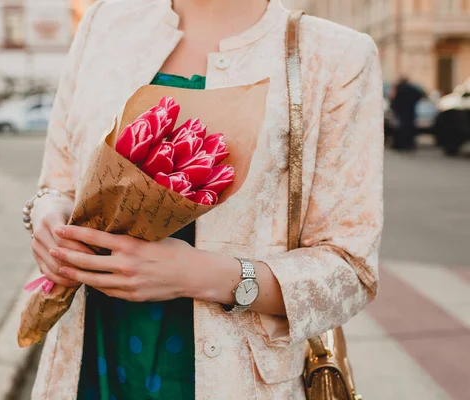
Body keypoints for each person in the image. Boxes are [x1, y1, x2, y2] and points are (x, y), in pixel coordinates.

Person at [26, 0, 383, 398]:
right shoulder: (102, 23)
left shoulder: (336, 56)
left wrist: (204, 275)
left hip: (235, 379)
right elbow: (57, 183)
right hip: (89, 355)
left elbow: (351, 271)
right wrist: (45, 213)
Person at [390, 76, 424, 152]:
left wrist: (394, 108)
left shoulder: (399, 89)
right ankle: (409, 145)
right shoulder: (411, 89)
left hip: (401, 112)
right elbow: (420, 95)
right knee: (409, 128)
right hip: (410, 111)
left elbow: (393, 100)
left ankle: (401, 145)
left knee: (400, 128)